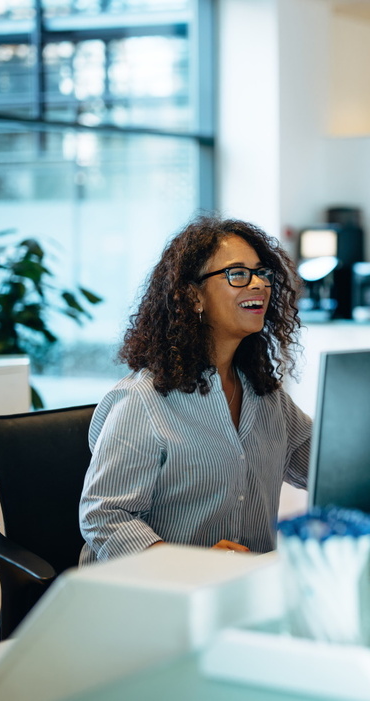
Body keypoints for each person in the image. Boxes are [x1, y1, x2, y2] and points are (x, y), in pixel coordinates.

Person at [79, 215, 312, 564]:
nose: (259, 285)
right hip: (158, 597)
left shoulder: (267, 397)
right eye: (237, 274)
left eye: (262, 273)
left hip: (244, 590)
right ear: (192, 296)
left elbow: (328, 468)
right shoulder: (143, 401)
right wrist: (190, 565)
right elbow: (105, 516)